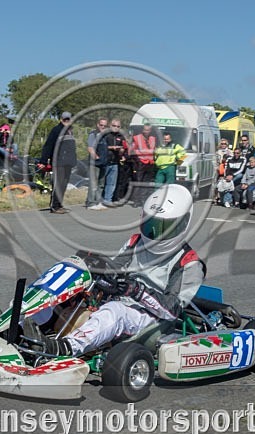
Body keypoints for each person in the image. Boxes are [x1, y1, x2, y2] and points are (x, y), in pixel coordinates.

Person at [59, 184, 205, 357]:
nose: (154, 233)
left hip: (151, 317)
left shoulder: (189, 262)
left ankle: (65, 348)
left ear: (182, 224)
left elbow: (172, 310)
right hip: (123, 299)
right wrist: (93, 265)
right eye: (150, 224)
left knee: (115, 311)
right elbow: (115, 269)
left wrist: (137, 291)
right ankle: (24, 327)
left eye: (164, 228)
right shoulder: (136, 242)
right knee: (67, 286)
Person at [40, 112, 77, 214]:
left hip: (68, 162)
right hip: (58, 161)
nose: (67, 121)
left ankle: (59, 204)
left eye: (68, 119)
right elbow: (48, 146)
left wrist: (74, 161)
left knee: (64, 184)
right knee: (58, 184)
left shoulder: (70, 131)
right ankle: (54, 206)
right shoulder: (56, 130)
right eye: (65, 119)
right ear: (61, 119)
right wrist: (43, 160)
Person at [102, 119, 128, 207]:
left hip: (115, 162)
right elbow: (100, 146)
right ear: (110, 125)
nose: (116, 128)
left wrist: (121, 151)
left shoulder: (121, 136)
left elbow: (124, 148)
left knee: (112, 183)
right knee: (102, 182)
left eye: (118, 126)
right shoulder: (105, 135)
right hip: (105, 161)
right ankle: (97, 200)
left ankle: (108, 200)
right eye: (114, 126)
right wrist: (111, 147)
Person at [130, 123, 157, 207]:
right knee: (138, 182)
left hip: (150, 163)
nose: (146, 131)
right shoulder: (137, 138)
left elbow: (154, 149)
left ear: (150, 130)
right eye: (145, 130)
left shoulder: (153, 139)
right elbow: (132, 150)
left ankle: (143, 200)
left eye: (148, 130)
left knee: (146, 183)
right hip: (140, 163)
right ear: (142, 130)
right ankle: (136, 201)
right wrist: (136, 160)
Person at [86, 118, 109, 209]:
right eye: (101, 125)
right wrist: (95, 156)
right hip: (94, 163)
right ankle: (91, 203)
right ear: (97, 125)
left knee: (101, 184)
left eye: (105, 125)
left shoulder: (105, 136)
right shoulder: (93, 134)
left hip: (103, 163)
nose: (103, 127)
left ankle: (98, 201)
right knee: (93, 184)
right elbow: (90, 148)